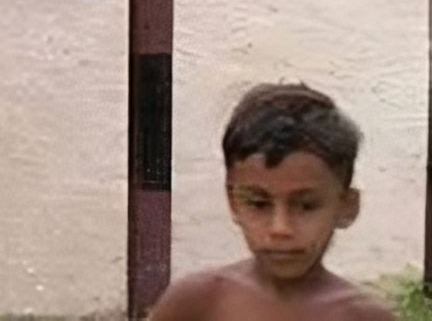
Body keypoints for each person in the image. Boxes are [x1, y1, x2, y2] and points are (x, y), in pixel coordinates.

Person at [148, 84, 395, 320]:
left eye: (307, 206)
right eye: (259, 204)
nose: (280, 229)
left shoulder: (363, 316)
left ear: (347, 207)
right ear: (233, 202)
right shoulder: (196, 303)